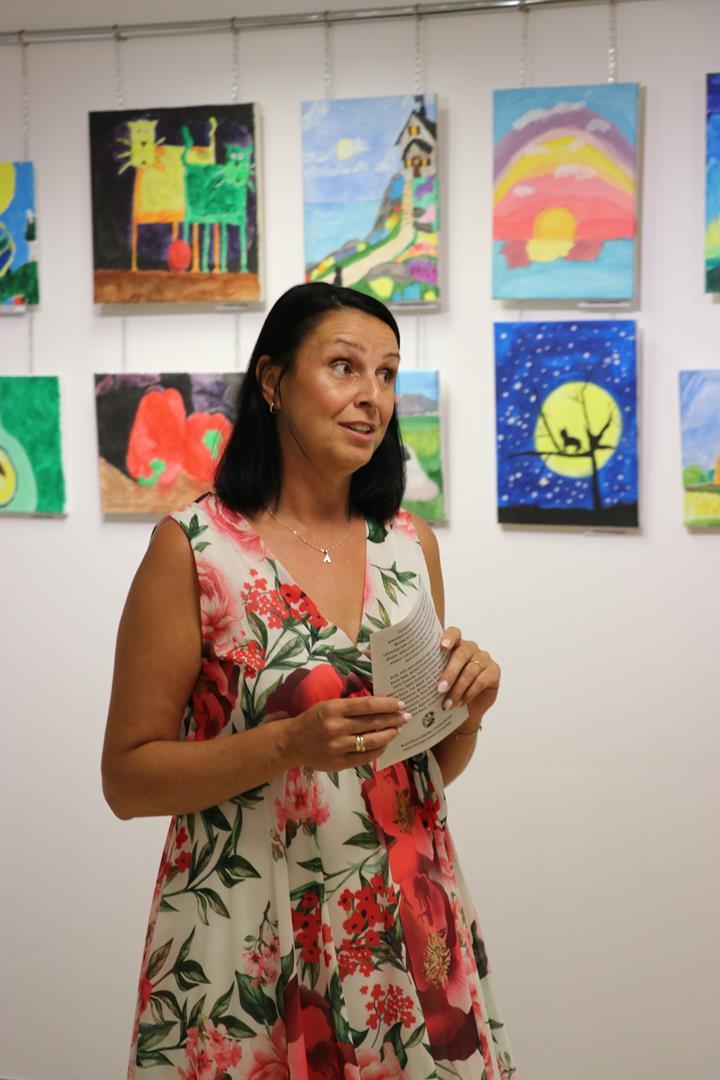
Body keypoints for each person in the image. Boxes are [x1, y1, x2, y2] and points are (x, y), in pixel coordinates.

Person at [102, 282, 518, 1079]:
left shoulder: (409, 546)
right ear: (273, 381)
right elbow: (126, 779)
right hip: (246, 933)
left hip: (404, 930)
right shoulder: (193, 551)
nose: (372, 396)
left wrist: (468, 713)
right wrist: (287, 745)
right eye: (344, 367)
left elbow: (417, 772)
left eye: (388, 374)